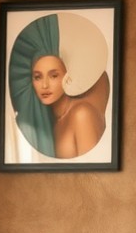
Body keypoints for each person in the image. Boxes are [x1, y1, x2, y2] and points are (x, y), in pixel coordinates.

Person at [8, 12, 110, 160]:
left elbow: (95, 167)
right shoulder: (50, 122)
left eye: (53, 75)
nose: (44, 85)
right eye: (38, 77)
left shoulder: (81, 115)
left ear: (67, 76)